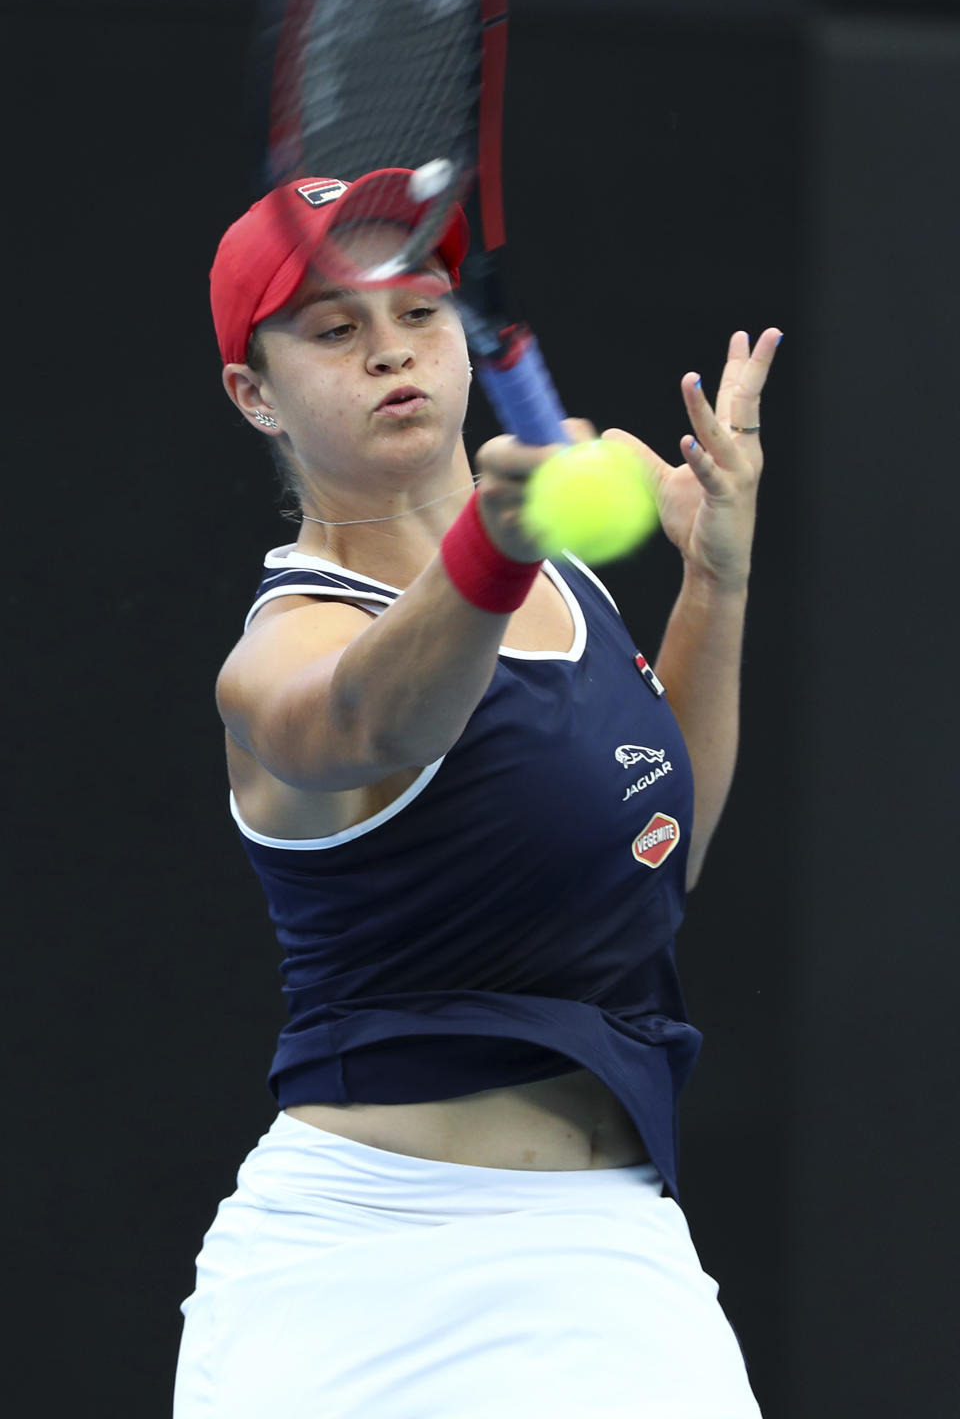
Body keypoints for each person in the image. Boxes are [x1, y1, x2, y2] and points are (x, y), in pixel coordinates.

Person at [172, 168, 780, 1418]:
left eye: (422, 312)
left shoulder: (570, 580)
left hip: (612, 1262)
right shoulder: (285, 647)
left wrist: (715, 583)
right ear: (255, 395)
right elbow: (367, 718)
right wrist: (487, 551)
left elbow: (663, 853)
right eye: (336, 330)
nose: (391, 352)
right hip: (352, 1279)